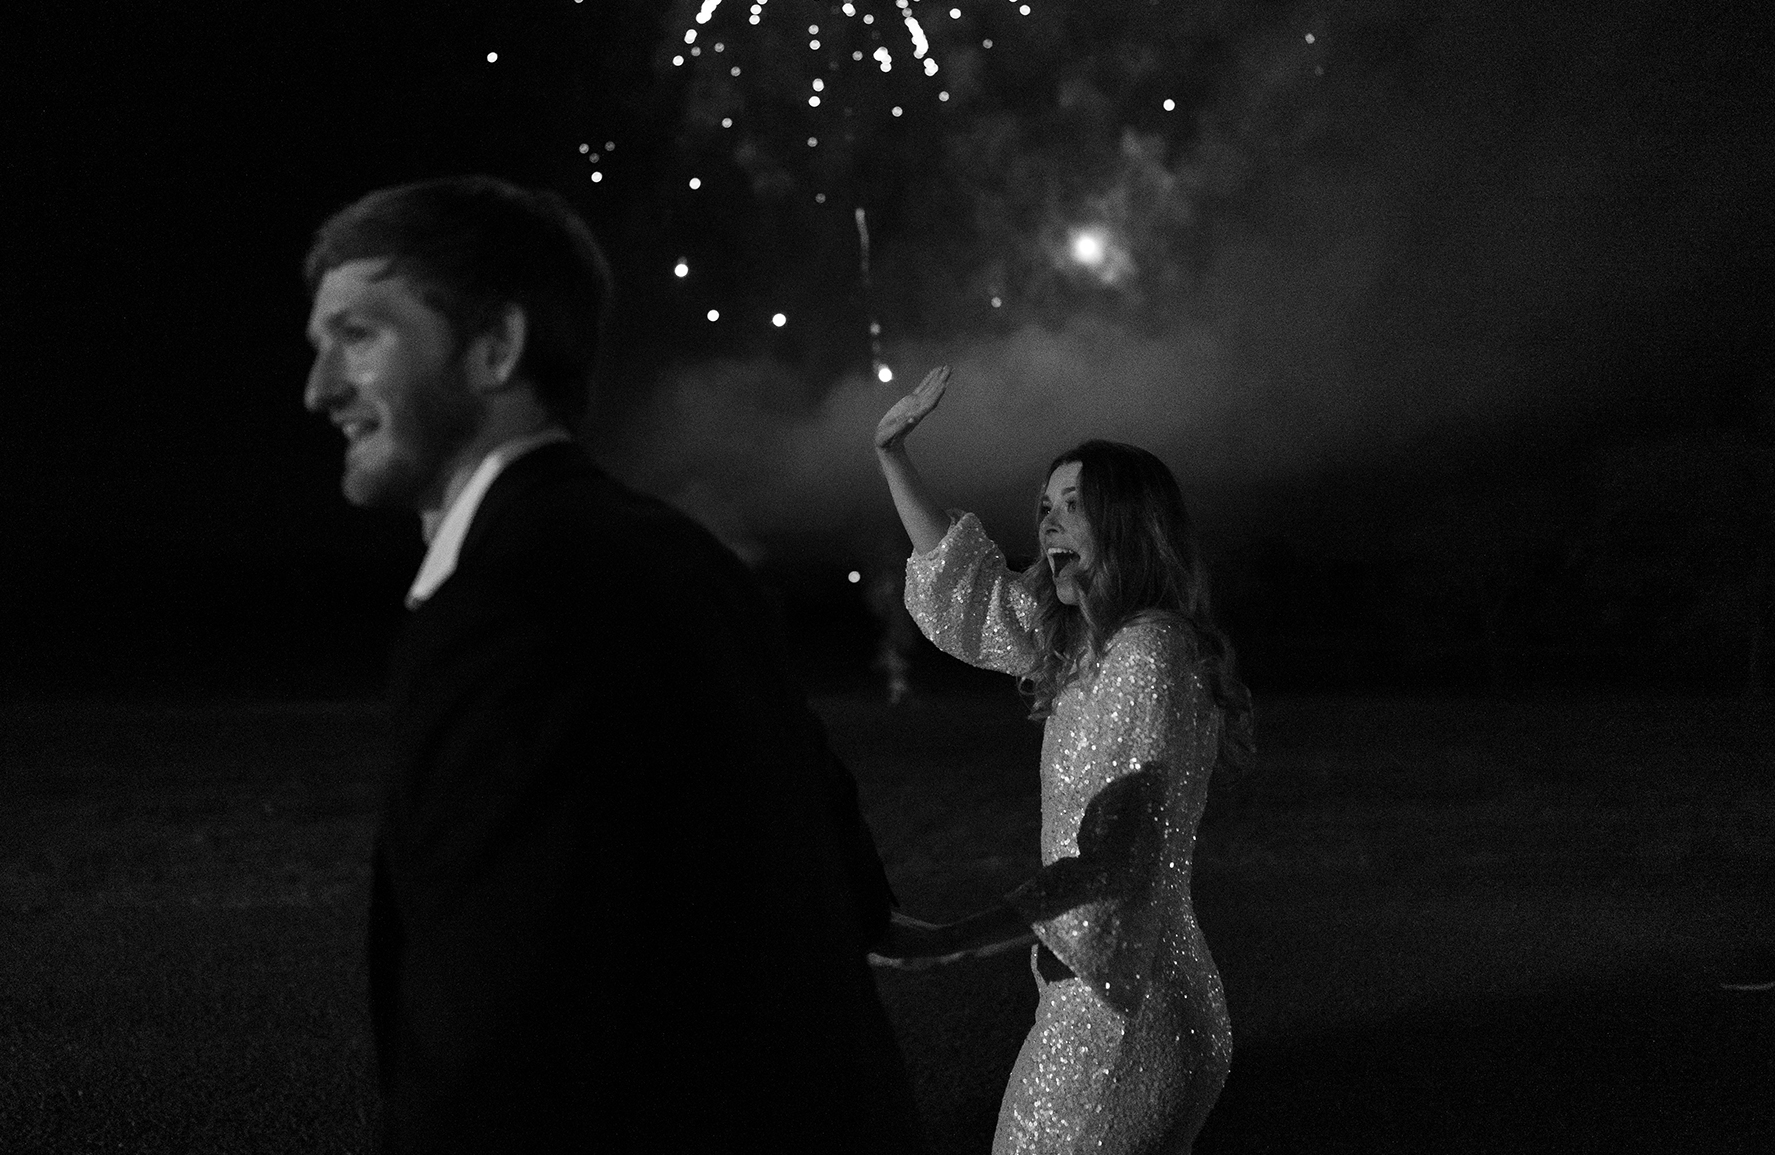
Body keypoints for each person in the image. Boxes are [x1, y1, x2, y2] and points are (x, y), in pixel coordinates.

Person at [301, 175, 923, 1152]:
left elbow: (496, 1031)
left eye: (358, 335)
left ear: (495, 347)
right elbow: (819, 833)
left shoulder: (502, 604)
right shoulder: (680, 554)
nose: (319, 387)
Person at [870, 366, 1252, 1155]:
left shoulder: (1150, 654)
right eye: (1044, 507)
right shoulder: (1086, 648)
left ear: (1131, 525)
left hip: (1126, 1017)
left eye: (1075, 508)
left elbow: (1116, 860)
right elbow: (973, 597)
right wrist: (893, 456)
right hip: (1102, 1003)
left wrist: (948, 938)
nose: (1049, 523)